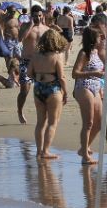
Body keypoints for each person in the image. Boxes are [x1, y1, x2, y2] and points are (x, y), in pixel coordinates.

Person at [27, 29, 68, 159]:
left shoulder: (35, 55)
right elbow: (61, 77)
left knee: (40, 122)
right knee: (52, 122)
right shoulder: (56, 56)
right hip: (53, 89)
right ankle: (45, 151)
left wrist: (39, 76)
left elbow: (28, 74)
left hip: (38, 88)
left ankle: (39, 151)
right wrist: (66, 92)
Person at [72, 27, 105, 165]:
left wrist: (101, 87)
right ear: (93, 39)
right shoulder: (84, 53)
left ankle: (83, 148)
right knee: (89, 123)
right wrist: (93, 73)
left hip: (96, 87)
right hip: (84, 87)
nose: (101, 39)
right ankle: (85, 155)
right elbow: (75, 73)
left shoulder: (97, 52)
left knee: (99, 123)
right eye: (99, 37)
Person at [18, 5, 50, 124]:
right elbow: (20, 39)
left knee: (41, 90)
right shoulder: (26, 26)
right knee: (24, 90)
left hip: (40, 63)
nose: (37, 18)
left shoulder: (46, 29)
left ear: (42, 16)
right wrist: (30, 25)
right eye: (35, 16)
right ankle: (20, 111)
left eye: (39, 15)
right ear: (31, 16)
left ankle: (41, 114)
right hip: (26, 62)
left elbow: (49, 46)